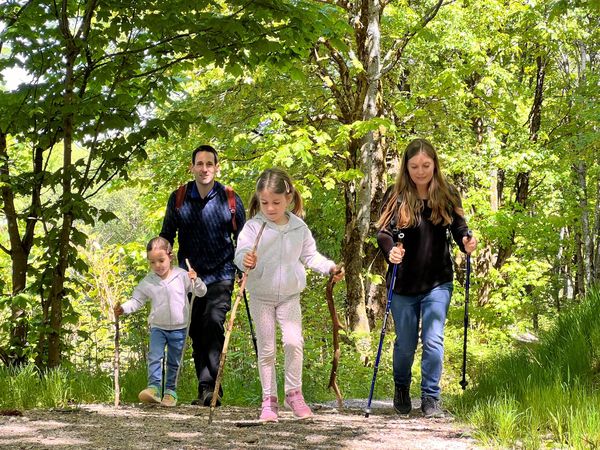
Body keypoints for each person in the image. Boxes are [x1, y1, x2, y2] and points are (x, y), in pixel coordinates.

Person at [376, 138, 477, 418]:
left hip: (438, 281)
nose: (420, 171)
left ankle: (431, 398)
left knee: (433, 340)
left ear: (435, 165)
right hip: (402, 284)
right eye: (414, 166)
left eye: (426, 165)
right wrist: (390, 252)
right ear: (406, 168)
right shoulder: (395, 195)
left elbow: (460, 229)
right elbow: (383, 233)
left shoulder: (447, 193)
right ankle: (401, 387)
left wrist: (467, 241)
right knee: (405, 344)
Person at [234, 168, 344, 422]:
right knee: (267, 349)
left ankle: (294, 394)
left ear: (289, 198)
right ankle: (268, 400)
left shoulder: (298, 227)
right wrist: (246, 260)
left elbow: (309, 256)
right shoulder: (253, 226)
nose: (270, 208)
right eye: (264, 203)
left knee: (294, 342)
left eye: (276, 202)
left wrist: (329, 267)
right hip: (261, 295)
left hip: (289, 296)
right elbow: (240, 254)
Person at [159, 144, 246, 406]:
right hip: (189, 276)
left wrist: (243, 270)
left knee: (213, 323)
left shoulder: (230, 198)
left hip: (221, 273)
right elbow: (167, 234)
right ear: (192, 167)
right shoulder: (179, 198)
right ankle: (204, 388)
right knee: (196, 330)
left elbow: (243, 238)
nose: (205, 168)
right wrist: (162, 258)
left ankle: (212, 388)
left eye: (210, 164)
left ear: (217, 167)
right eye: (200, 163)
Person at [114, 236, 207, 407]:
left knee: (174, 361)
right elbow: (137, 300)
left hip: (179, 328)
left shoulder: (182, 276)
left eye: (161, 260)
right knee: (155, 357)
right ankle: (154, 388)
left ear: (170, 256)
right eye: (152, 262)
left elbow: (201, 292)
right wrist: (124, 309)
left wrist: (196, 279)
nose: (157, 265)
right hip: (158, 327)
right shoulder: (148, 281)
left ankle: (170, 392)